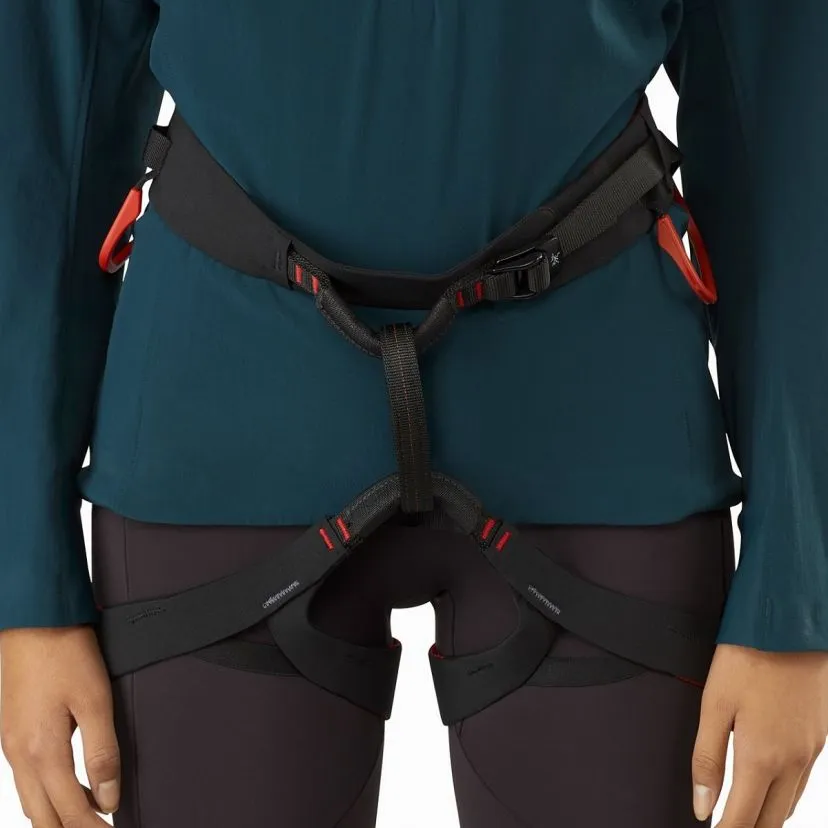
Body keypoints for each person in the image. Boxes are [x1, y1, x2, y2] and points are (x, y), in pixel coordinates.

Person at [1, 1, 827, 826]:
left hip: (598, 447)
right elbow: (47, 127)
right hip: (221, 444)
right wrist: (26, 587)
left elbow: (782, 116)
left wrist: (795, 597)